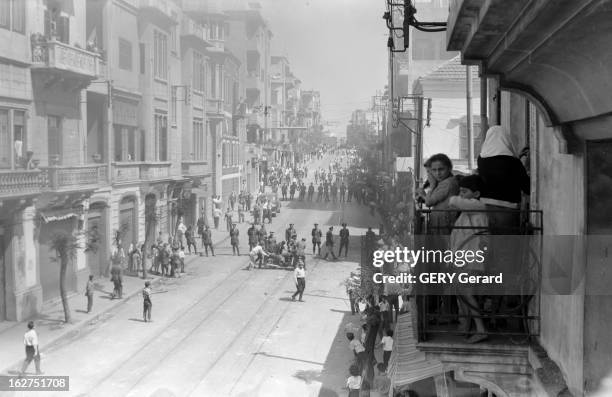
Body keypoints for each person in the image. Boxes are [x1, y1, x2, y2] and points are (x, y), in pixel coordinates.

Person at [448, 174, 489, 343]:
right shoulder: (466, 212)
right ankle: (467, 326)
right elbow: (456, 237)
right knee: (462, 293)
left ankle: (481, 329)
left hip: (473, 258)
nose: (461, 195)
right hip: (463, 258)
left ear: (477, 194)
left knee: (466, 293)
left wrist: (454, 195)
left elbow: (453, 201)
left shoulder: (479, 206)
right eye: (460, 191)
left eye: (464, 191)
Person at [477, 125, 530, 233]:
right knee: (507, 242)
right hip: (507, 208)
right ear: (506, 139)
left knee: (490, 241)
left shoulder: (481, 159)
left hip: (486, 207)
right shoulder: (513, 162)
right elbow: (526, 186)